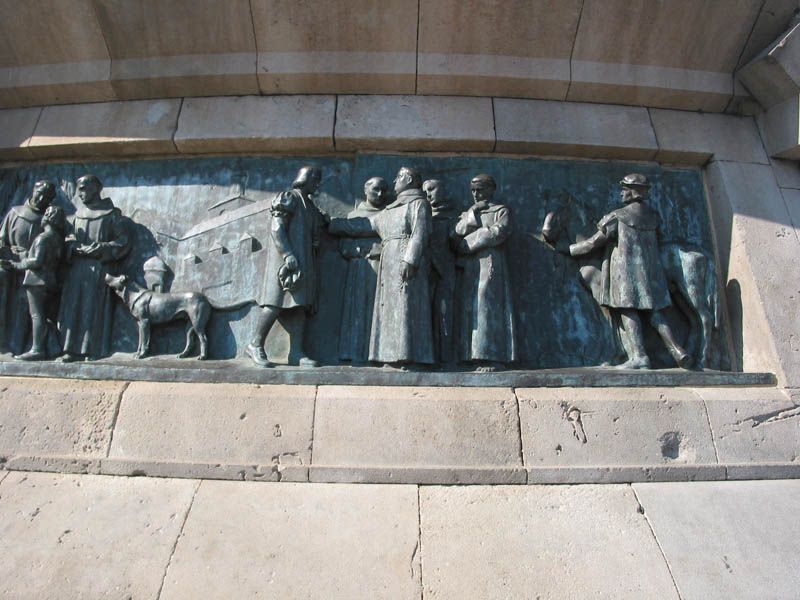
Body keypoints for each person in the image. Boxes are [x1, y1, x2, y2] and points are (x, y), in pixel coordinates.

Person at [566, 173, 690, 369]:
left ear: (634, 192)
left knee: (628, 310)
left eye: (625, 189)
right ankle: (677, 350)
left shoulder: (618, 217)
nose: (621, 193)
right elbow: (660, 239)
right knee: (655, 313)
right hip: (651, 272)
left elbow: (593, 243)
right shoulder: (654, 217)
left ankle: (639, 356)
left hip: (626, 272)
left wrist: (569, 249)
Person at [329, 166, 434, 368]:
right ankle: (391, 356)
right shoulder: (390, 209)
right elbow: (365, 225)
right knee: (390, 309)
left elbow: (420, 233)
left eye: (398, 177)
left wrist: (410, 260)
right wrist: (332, 224)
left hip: (406, 260)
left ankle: (408, 357)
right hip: (389, 263)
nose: (394, 181)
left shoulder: (418, 204)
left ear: (409, 180)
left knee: (406, 307)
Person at [247, 166, 324, 367]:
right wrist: (287, 254)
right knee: (274, 302)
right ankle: (255, 344)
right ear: (305, 179)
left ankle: (296, 352)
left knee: (300, 306)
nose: (318, 184)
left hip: (304, 260)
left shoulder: (310, 206)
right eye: (315, 179)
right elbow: (277, 228)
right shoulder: (288, 197)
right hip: (285, 260)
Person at [58, 175, 133, 362]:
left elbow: (123, 241)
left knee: (92, 309)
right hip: (76, 269)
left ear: (95, 189)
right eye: (78, 189)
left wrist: (102, 248)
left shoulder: (111, 215)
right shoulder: (77, 216)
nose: (79, 193)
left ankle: (91, 350)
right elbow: (68, 239)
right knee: (72, 308)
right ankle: (69, 349)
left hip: (99, 270)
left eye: (83, 188)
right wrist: (73, 246)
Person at [452, 174, 516, 371]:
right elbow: (457, 233)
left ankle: (491, 357)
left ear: (491, 189)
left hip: (490, 263)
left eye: (479, 190)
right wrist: (472, 213)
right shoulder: (469, 212)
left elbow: (497, 233)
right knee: (470, 307)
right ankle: (470, 355)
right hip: (471, 266)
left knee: (487, 304)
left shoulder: (501, 210)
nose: (475, 194)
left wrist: (467, 244)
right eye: (472, 190)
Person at [0, 205, 65, 360]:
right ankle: (52, 348)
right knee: (44, 316)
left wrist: (15, 264)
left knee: (36, 316)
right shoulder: (57, 239)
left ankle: (37, 349)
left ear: (48, 218)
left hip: (36, 281)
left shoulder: (42, 238)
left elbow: (36, 261)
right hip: (50, 280)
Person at [338, 177, 387, 364]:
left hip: (384, 268)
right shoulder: (354, 216)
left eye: (384, 190)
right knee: (357, 310)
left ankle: (381, 353)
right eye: (376, 189)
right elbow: (344, 247)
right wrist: (364, 250)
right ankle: (355, 352)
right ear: (365, 190)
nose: (380, 194)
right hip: (360, 269)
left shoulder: (389, 214)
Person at [423, 178, 458, 367]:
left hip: (445, 271)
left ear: (443, 190)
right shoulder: (420, 214)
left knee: (444, 314)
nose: (427, 194)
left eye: (431, 189)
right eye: (425, 191)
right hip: (422, 272)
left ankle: (445, 358)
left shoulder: (454, 216)